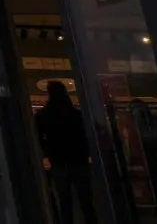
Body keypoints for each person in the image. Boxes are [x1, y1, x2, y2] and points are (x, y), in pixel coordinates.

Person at [37, 81, 95, 224]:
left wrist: (47, 150)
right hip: (78, 158)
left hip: (58, 159)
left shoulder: (45, 114)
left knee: (64, 200)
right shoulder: (74, 113)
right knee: (85, 198)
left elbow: (38, 136)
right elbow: (84, 133)